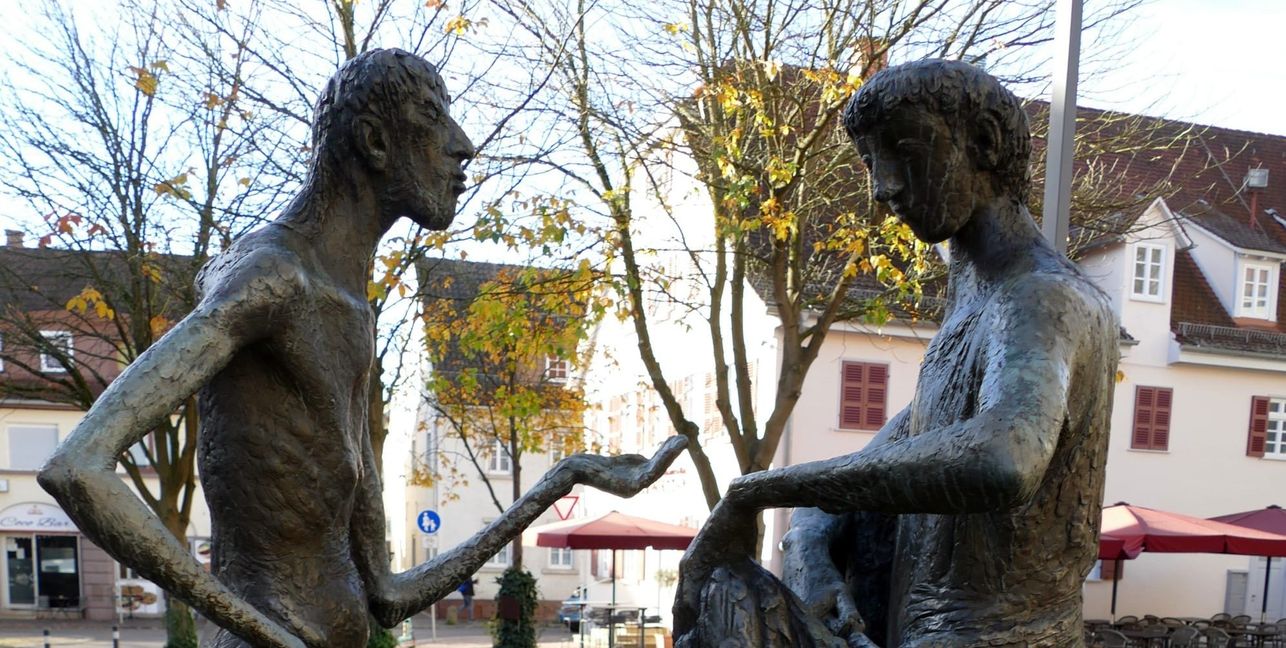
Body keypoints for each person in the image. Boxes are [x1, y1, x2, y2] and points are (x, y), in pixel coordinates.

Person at [37, 48, 686, 648]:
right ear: (376, 141)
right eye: (434, 118)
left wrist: (561, 479)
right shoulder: (271, 278)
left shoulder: (349, 310)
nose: (462, 145)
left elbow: (387, 594)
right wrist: (261, 632)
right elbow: (79, 467)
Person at [673, 59, 1119, 647]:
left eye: (905, 150)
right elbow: (913, 435)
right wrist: (808, 525)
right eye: (869, 163)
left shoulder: (1042, 297)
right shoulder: (976, 303)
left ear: (982, 142)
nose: (883, 187)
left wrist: (765, 489)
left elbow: (1003, 457)